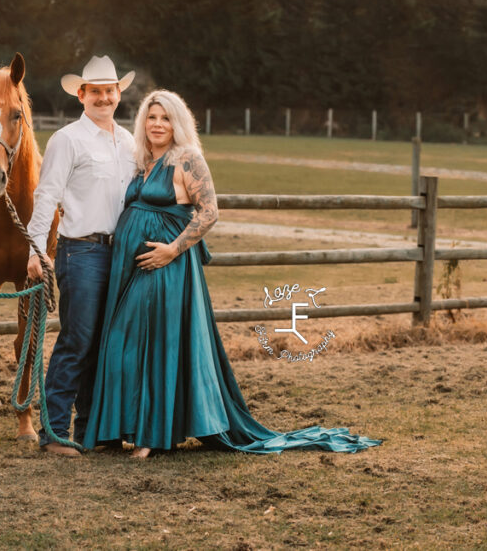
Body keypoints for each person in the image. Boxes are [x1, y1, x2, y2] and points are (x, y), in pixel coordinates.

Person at [82, 90, 382, 458]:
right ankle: (122, 428)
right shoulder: (141, 162)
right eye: (152, 117)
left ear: (178, 123)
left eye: (165, 118)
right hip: (132, 267)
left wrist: (172, 250)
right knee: (121, 343)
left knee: (156, 347)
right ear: (143, 122)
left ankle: (150, 436)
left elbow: (209, 212)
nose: (158, 124)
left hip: (167, 268)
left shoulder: (187, 159)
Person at [26, 55, 138, 457]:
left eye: (110, 91)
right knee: (77, 340)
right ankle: (54, 431)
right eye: (96, 92)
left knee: (106, 343)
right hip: (82, 251)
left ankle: (92, 431)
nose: (104, 98)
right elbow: (47, 194)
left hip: (120, 253)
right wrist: (36, 248)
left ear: (119, 94)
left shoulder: (128, 141)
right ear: (81, 94)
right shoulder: (67, 140)